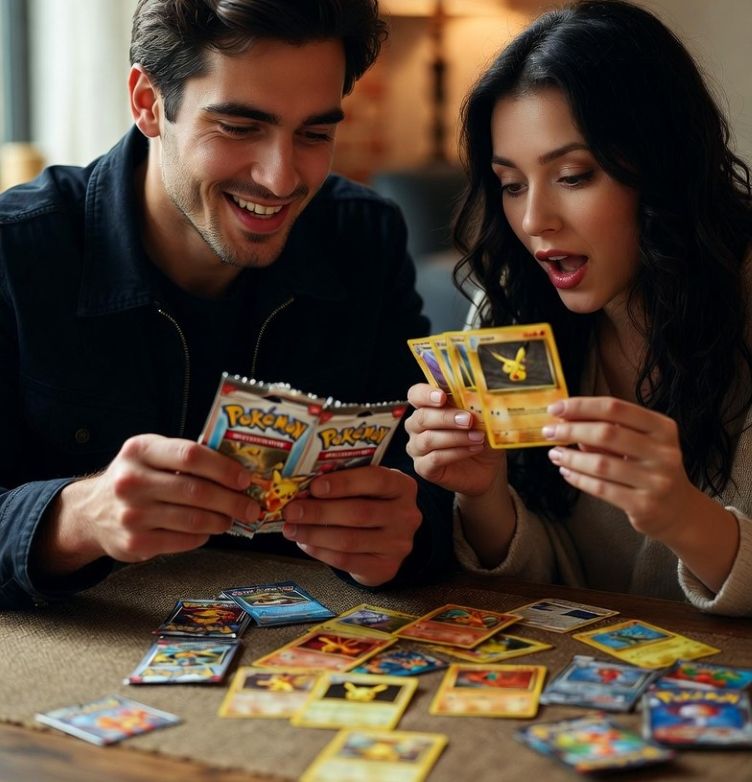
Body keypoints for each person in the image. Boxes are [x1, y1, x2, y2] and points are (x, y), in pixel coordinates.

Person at [0, 0, 453, 610]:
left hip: (298, 664)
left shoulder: (364, 240)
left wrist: (408, 533)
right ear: (146, 102)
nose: (280, 178)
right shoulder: (18, 252)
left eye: (315, 134)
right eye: (239, 128)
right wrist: (73, 519)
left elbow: (424, 483)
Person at [406, 0, 752, 616]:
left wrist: (684, 517)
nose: (534, 221)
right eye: (512, 185)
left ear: (662, 168)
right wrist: (484, 493)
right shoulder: (507, 307)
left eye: (572, 175)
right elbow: (549, 598)